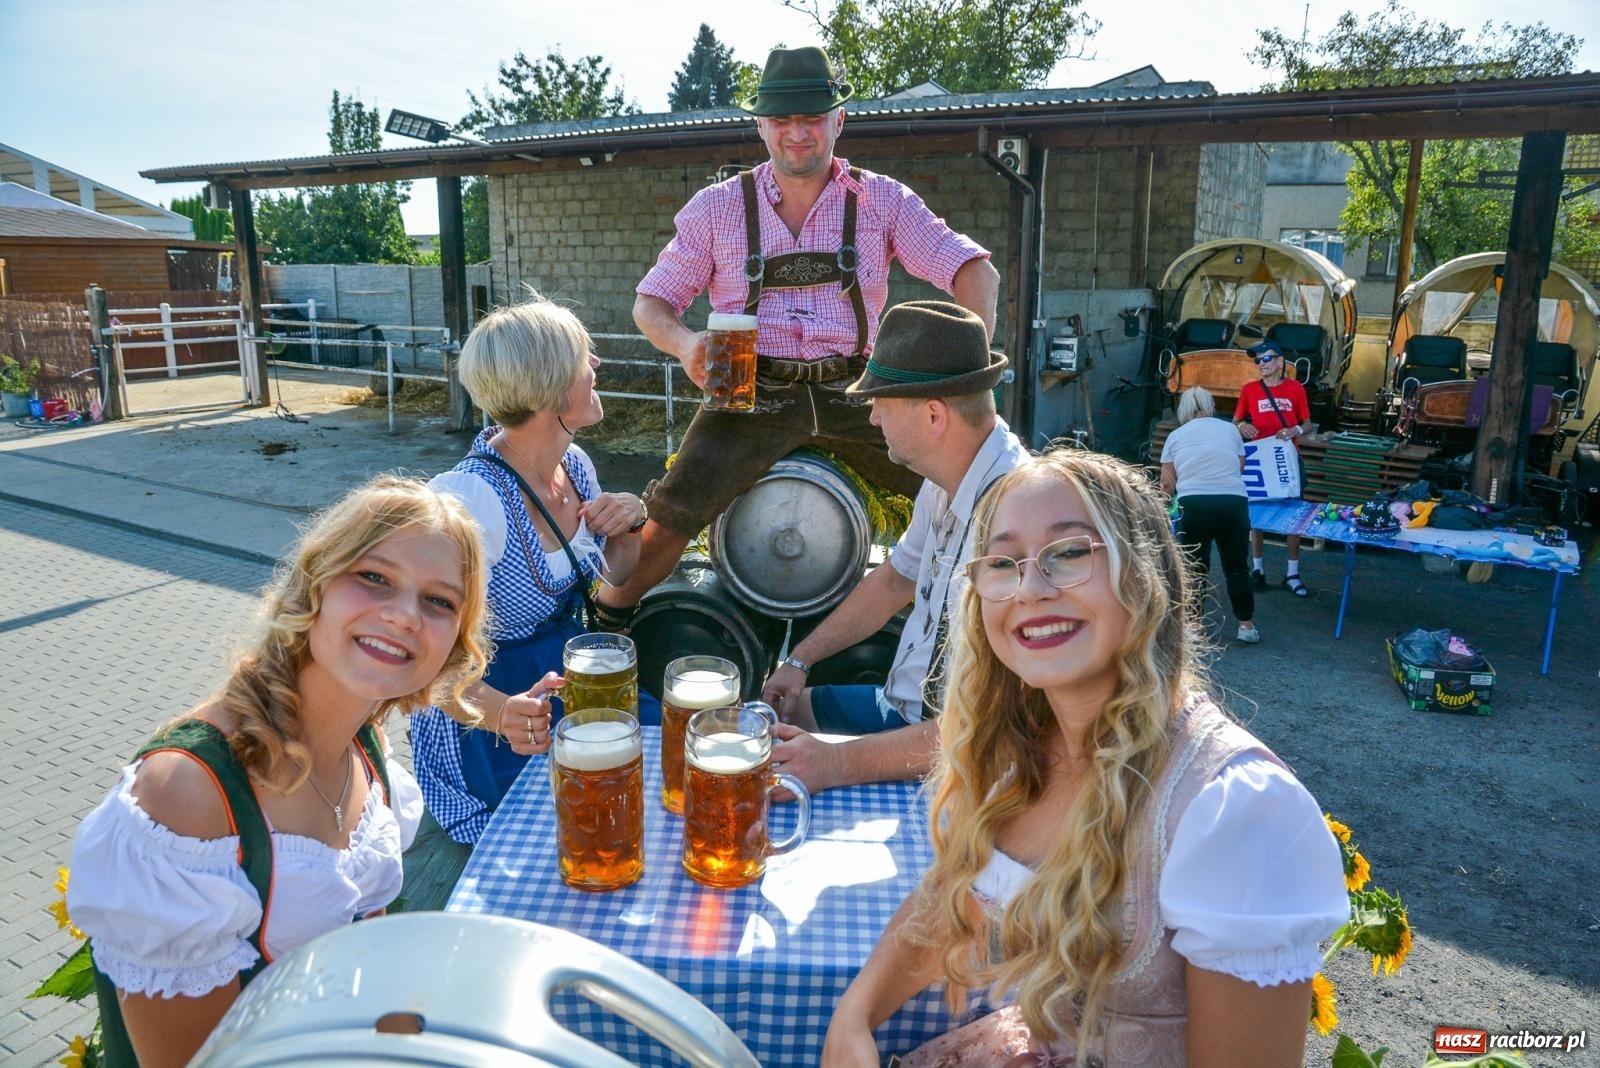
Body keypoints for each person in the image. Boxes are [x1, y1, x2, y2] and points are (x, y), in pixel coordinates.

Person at [822, 450, 1348, 1067]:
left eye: (1069, 553)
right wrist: (854, 1016)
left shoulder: (1235, 812)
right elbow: (951, 898)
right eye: (1002, 562)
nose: (1031, 589)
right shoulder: (1022, 752)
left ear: (1144, 573)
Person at [66, 476, 493, 1068]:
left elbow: (361, 980)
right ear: (315, 583)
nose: (403, 616)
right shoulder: (187, 796)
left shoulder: (367, 758)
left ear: (453, 644)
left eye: (439, 601)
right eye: (374, 578)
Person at [596, 44, 1001, 625]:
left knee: (975, 491)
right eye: (782, 120)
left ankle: (998, 624)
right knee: (672, 516)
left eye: (811, 118)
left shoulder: (881, 200)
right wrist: (685, 344)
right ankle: (604, 630)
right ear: (760, 125)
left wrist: (963, 376)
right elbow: (650, 303)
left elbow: (973, 270)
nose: (797, 134)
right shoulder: (717, 209)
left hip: (861, 390)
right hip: (747, 388)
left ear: (839, 119)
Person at [412, 295, 660, 845]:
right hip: (489, 705)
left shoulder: (573, 465)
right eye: (583, 356)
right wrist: (501, 712)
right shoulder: (470, 499)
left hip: (565, 674)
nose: (596, 366)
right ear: (550, 386)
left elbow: (616, 575)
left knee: (656, 761)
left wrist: (630, 524)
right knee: (576, 825)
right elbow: (419, 655)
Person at [759, 300, 1025, 794]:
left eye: (883, 402)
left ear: (932, 415)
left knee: (780, 774)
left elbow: (991, 731)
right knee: (766, 715)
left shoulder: (1016, 523)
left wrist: (836, 764)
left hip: (957, 753)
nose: (874, 417)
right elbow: (893, 580)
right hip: (901, 708)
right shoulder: (947, 476)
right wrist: (798, 661)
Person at [1161, 385, 1259, 643]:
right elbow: (1239, 466)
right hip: (1233, 502)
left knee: (1194, 567)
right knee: (1237, 566)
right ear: (1211, 406)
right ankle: (1246, 625)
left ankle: (1194, 627)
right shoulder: (1230, 430)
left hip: (1193, 503)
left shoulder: (1176, 436)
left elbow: (1167, 483)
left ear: (1184, 409)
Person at [1233, 339, 1313, 596]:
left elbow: (1308, 424)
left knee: (1293, 515)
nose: (1261, 364)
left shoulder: (1295, 389)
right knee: (1256, 516)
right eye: (1257, 360)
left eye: (1266, 359)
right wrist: (1241, 427)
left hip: (1288, 459)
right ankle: (1258, 569)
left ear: (1280, 362)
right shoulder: (1249, 390)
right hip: (1260, 458)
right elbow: (1236, 421)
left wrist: (1295, 430)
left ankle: (1292, 573)